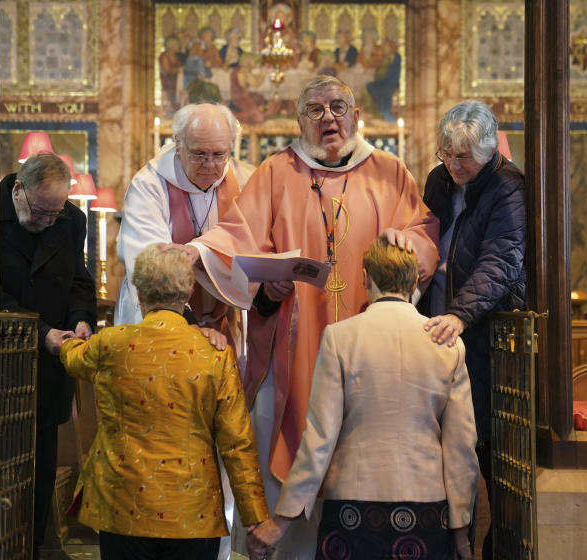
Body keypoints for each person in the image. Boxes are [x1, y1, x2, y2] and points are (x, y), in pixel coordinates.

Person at [171, 75, 439, 558]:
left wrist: (412, 245)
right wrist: (254, 281)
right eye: (314, 110)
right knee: (285, 436)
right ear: (299, 121)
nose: (328, 118)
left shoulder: (389, 172)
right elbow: (236, 237)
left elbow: (422, 231)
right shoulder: (275, 173)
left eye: (338, 107)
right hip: (293, 349)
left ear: (357, 116)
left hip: (370, 350)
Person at [247, 238, 480, 560]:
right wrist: (462, 535)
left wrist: (280, 523)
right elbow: (461, 448)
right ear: (414, 281)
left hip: (351, 510)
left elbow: (319, 439)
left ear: (366, 278)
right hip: (426, 509)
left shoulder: (340, 338)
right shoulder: (447, 344)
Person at [60, 244, 271, 560]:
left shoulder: (110, 345)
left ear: (140, 294)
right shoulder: (214, 354)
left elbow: (73, 357)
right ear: (187, 294)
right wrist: (256, 518)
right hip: (193, 515)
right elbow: (237, 444)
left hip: (123, 509)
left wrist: (67, 339)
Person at [418, 100, 526, 560]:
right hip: (435, 325)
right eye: (446, 153)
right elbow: (423, 233)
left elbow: (500, 259)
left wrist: (461, 314)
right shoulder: (439, 179)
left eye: (463, 157)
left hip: (482, 333)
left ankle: (497, 545)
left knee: (485, 445)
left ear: (488, 150)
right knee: (435, 441)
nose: (454, 165)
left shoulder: (507, 186)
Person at [0, 152, 97, 556]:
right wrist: (40, 333)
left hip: (49, 370)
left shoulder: (71, 220)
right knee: (1, 474)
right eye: (42, 212)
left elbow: (79, 279)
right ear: (19, 189)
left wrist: (81, 320)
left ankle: (37, 548)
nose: (49, 221)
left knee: (41, 476)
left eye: (56, 213)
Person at [116, 103, 255, 340]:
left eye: (219, 155)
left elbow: (248, 242)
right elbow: (152, 262)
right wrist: (186, 326)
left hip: (223, 318)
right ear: (178, 143)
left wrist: (199, 250)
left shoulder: (244, 181)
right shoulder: (149, 185)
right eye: (200, 154)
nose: (210, 165)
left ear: (231, 146)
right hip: (161, 324)